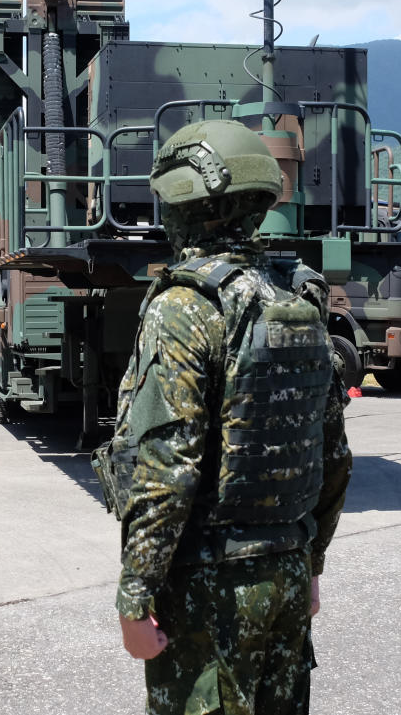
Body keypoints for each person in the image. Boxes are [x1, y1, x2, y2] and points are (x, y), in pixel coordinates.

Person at [102, 120, 352, 715]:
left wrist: (134, 597)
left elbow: (167, 467)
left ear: (185, 204)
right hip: (287, 572)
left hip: (208, 589)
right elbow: (331, 453)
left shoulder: (184, 307)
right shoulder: (295, 299)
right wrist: (309, 563)